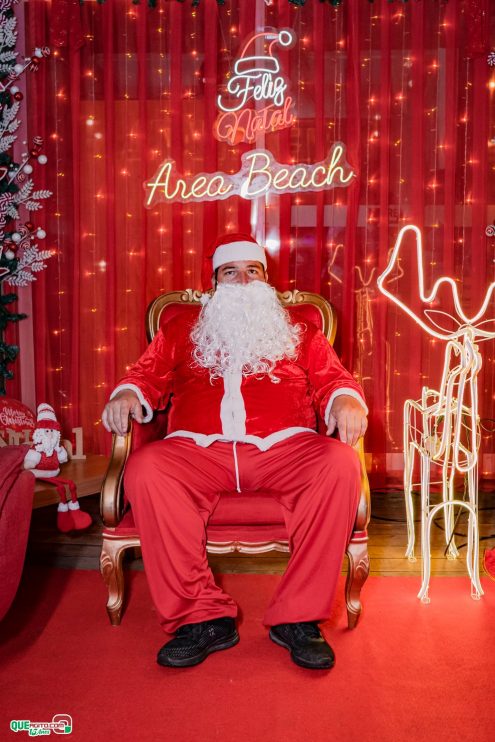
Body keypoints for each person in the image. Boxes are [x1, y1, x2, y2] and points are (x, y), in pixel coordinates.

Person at [102, 233, 368, 670]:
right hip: (198, 450)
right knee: (147, 468)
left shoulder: (300, 328)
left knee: (339, 463)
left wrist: (345, 400)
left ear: (266, 280)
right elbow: (146, 374)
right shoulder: (181, 328)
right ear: (215, 283)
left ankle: (297, 619)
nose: (243, 281)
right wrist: (128, 393)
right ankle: (202, 619)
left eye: (253, 271)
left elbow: (332, 378)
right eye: (231, 272)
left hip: (286, 446)